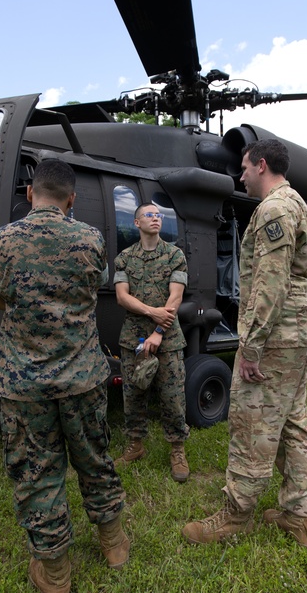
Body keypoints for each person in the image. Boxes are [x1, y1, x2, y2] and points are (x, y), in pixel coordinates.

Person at [0, 159, 128, 593]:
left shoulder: (1, 241)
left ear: (30, 194)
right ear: (72, 199)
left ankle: (56, 573)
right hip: (82, 377)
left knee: (37, 474)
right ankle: (114, 544)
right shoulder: (91, 239)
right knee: (95, 459)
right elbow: (92, 289)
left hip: (24, 384)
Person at [181, 138, 307, 548]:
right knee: (293, 423)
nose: (239, 176)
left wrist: (252, 345)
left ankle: (235, 515)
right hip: (297, 329)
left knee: (252, 423)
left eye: (243, 168)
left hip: (278, 333)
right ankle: (299, 515)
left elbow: (270, 283)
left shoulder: (274, 208)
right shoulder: (297, 203)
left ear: (261, 165)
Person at [114, 203, 190, 482]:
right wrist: (150, 311)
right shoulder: (124, 258)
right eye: (149, 215)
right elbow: (122, 296)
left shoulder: (174, 255)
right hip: (133, 337)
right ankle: (135, 445)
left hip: (167, 338)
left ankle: (177, 450)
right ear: (136, 223)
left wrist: (159, 329)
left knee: (172, 397)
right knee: (133, 395)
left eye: (158, 215)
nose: (155, 218)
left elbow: (176, 297)